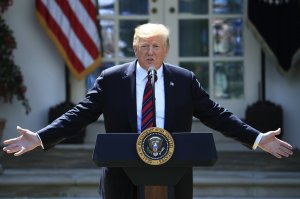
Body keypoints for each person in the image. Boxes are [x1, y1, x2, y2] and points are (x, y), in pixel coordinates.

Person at [2, 23, 293, 199]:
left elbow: (216, 114)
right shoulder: (112, 79)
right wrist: (40, 138)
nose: (150, 52)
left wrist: (257, 138)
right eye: (143, 46)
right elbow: (79, 114)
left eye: (156, 46)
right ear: (135, 49)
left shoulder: (184, 80)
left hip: (173, 173)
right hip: (121, 177)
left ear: (165, 49)